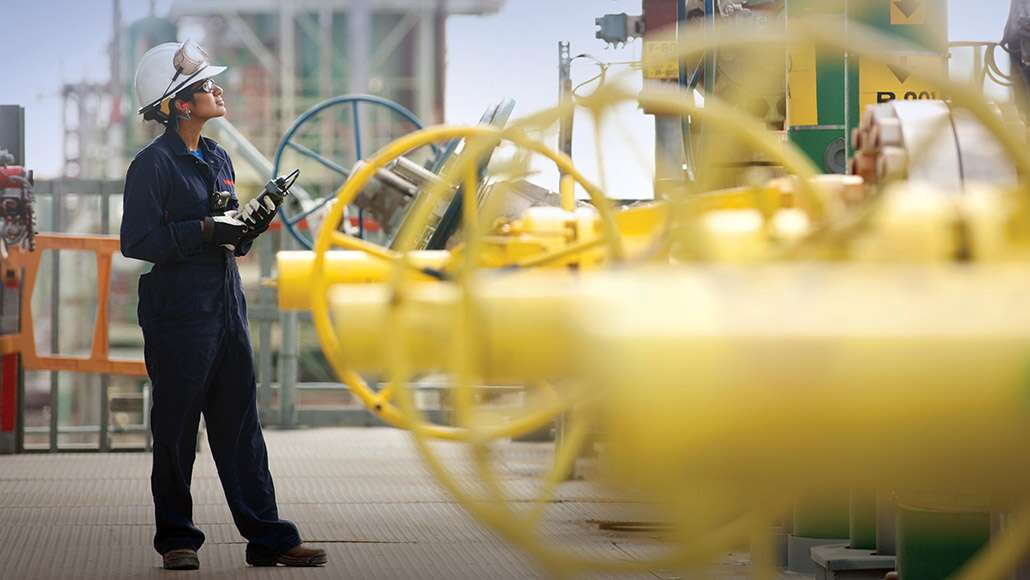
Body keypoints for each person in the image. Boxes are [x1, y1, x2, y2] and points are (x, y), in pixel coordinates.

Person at [121, 40, 327, 571]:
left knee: (241, 426)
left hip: (225, 303)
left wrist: (247, 228)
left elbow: (226, 231)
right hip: (179, 310)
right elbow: (138, 241)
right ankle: (177, 539)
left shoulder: (217, 156)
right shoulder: (151, 166)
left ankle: (270, 538)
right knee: (176, 428)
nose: (217, 89)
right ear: (179, 105)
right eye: (206, 86)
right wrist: (209, 229)